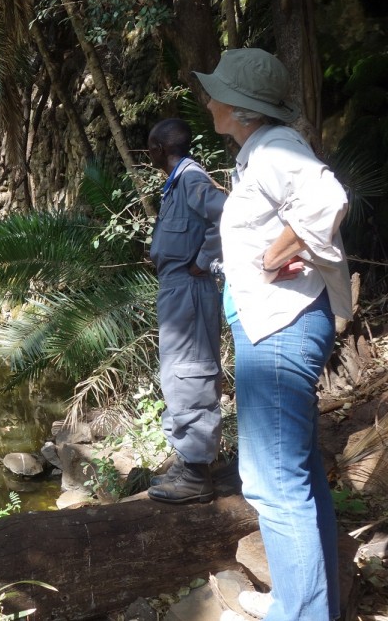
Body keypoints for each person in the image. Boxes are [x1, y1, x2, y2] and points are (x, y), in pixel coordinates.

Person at [194, 48, 351, 621]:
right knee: (296, 475)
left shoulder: (275, 149)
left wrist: (276, 254)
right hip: (280, 326)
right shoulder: (261, 150)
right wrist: (287, 246)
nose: (207, 99)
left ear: (238, 107)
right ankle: (302, 601)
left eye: (215, 92)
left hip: (281, 331)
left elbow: (327, 198)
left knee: (274, 484)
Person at [144, 118, 228, 505]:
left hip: (190, 289)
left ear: (159, 149)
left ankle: (196, 474)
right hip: (177, 289)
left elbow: (226, 213)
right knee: (177, 373)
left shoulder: (191, 177)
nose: (149, 154)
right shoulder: (178, 181)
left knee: (190, 372)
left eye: (150, 147)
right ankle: (187, 459)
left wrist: (205, 258)